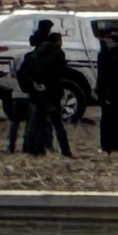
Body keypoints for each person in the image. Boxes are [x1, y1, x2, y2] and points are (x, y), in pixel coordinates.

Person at [18, 27, 73, 157]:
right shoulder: (58, 54)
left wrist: (33, 85)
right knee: (57, 123)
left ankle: (36, 149)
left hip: (38, 93)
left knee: (37, 123)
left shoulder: (33, 55)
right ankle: (65, 150)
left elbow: (23, 72)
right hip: (53, 93)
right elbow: (60, 73)